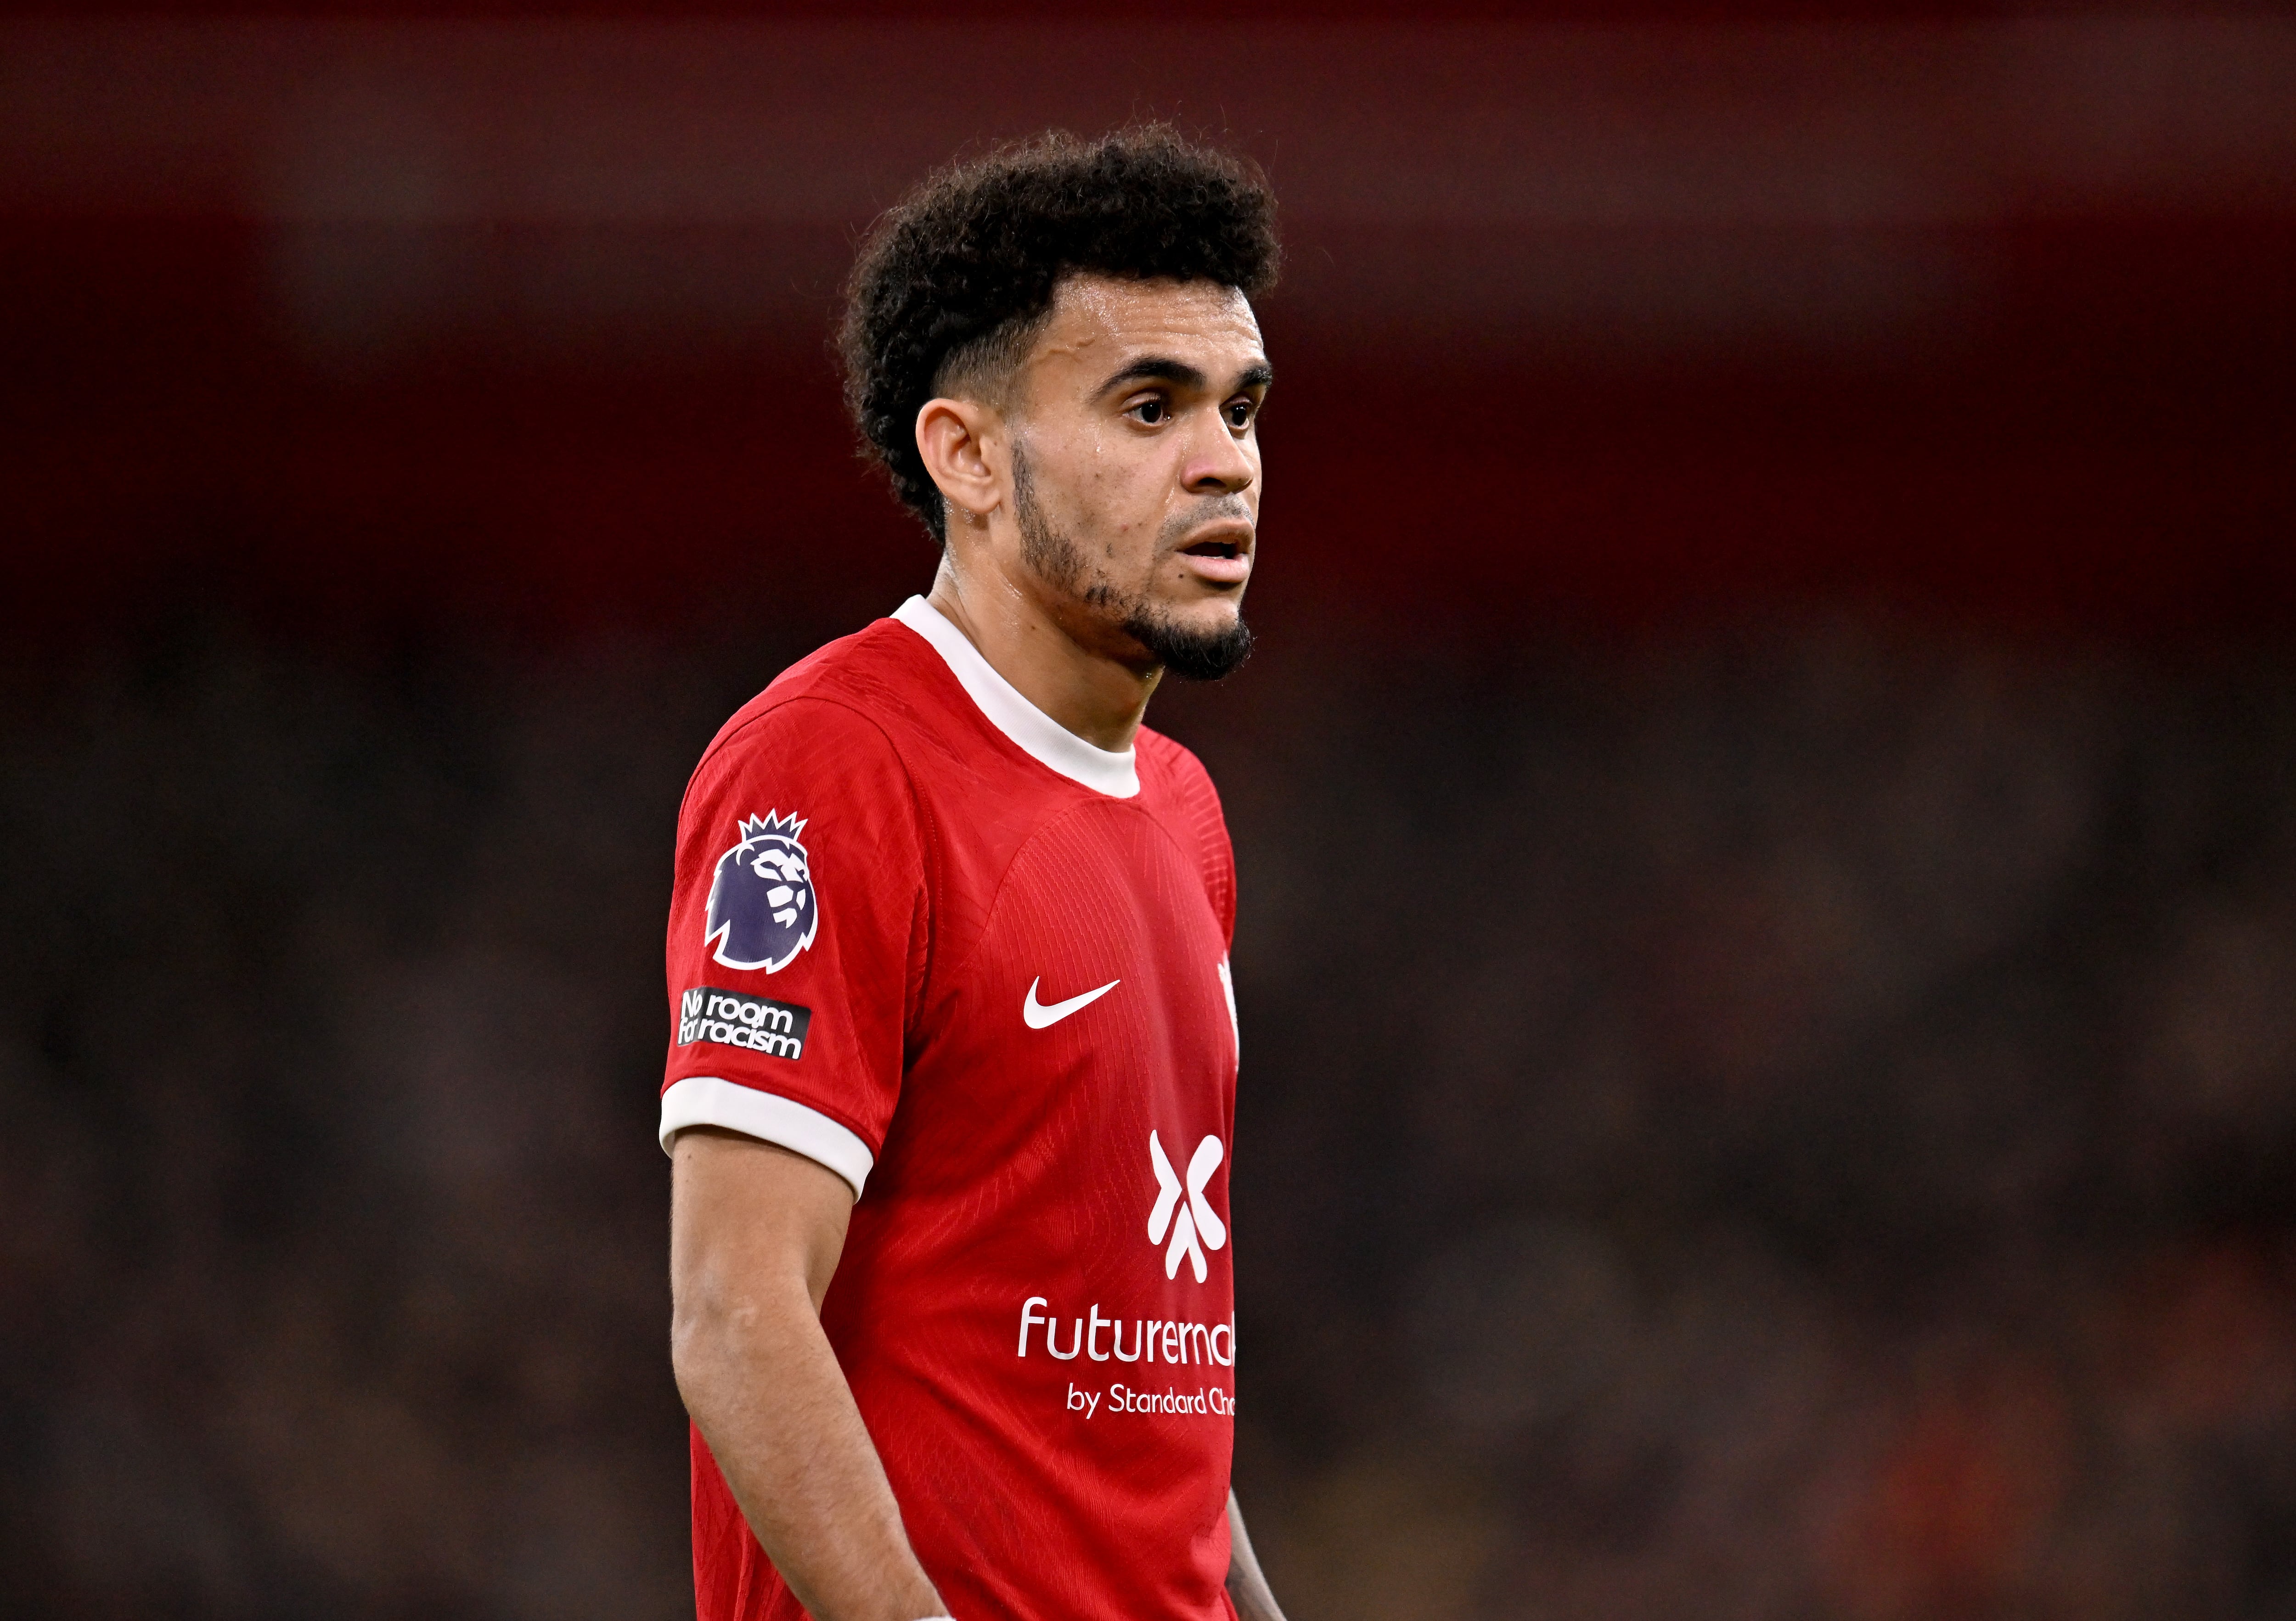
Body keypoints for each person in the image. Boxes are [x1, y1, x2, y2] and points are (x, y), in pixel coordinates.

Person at [658, 126, 1290, 1621]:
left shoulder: (1183, 818)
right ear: (970, 457)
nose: (1224, 463)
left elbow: (1153, 1366)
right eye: (1150, 407)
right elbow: (736, 1316)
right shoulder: (831, 771)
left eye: (1243, 410)